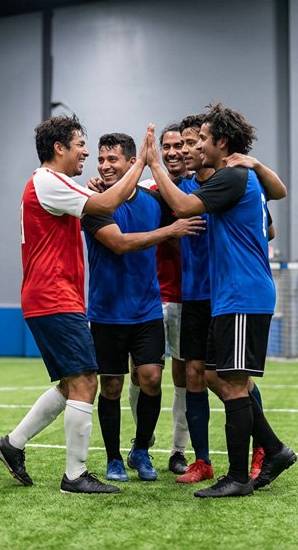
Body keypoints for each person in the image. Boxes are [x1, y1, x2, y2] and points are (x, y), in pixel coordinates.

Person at [144, 104, 296, 498]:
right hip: (230, 297)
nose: (198, 145)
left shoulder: (232, 177)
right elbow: (277, 192)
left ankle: (240, 476)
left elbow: (183, 206)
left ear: (222, 143)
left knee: (231, 385)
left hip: (243, 294)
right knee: (217, 377)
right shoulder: (238, 176)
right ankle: (275, 451)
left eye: (204, 140)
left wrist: (154, 162)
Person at [0, 115, 149, 495]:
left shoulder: (52, 183)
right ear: (59, 148)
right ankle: (75, 476)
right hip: (53, 297)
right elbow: (108, 202)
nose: (85, 152)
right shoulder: (48, 181)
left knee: (69, 384)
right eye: (80, 144)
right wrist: (141, 161)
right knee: (85, 383)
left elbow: (110, 199)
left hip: (52, 298)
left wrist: (133, 176)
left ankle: (12, 444)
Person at [82, 132, 204, 483]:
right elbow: (120, 244)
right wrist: (168, 232)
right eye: (101, 160)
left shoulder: (154, 201)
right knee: (112, 388)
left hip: (147, 310)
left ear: (130, 162)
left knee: (150, 378)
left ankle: (141, 451)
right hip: (107, 313)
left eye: (112, 160)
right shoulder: (94, 204)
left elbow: (184, 206)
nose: (105, 166)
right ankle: (113, 458)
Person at [134, 123, 191, 475]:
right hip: (148, 298)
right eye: (166, 147)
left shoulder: (200, 190)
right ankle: (142, 444)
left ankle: (178, 450)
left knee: (184, 377)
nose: (171, 152)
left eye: (178, 146)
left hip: (187, 298)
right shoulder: (144, 190)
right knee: (142, 376)